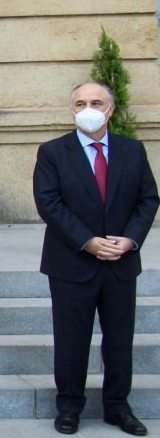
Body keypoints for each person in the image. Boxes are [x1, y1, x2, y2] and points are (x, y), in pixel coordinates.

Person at [34, 82, 157, 437]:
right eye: (81, 102)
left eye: (96, 102)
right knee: (71, 339)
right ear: (72, 109)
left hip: (120, 262)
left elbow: (148, 199)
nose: (88, 108)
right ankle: (69, 407)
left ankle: (117, 407)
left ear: (110, 110)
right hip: (71, 263)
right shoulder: (53, 152)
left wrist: (130, 240)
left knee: (119, 340)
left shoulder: (132, 151)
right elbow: (49, 203)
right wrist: (87, 242)